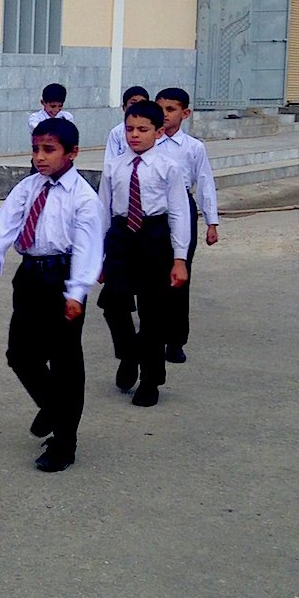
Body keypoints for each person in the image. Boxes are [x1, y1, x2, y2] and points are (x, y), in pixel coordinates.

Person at [0, 118, 105, 472]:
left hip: (63, 279)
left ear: (72, 153)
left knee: (65, 363)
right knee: (20, 354)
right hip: (29, 276)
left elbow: (88, 248)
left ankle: (63, 443)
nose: (40, 157)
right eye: (35, 149)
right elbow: (4, 225)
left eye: (49, 150)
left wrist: (77, 292)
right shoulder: (29, 188)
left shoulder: (83, 198)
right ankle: (52, 406)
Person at [97, 102, 190, 408]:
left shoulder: (168, 167)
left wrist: (179, 259)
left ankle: (151, 380)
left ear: (158, 131)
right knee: (113, 303)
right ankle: (128, 355)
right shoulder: (114, 166)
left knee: (153, 313)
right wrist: (97, 257)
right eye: (129, 129)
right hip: (122, 238)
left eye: (142, 129)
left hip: (154, 238)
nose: (134, 135)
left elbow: (178, 213)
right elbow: (103, 212)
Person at [153, 88, 220, 364]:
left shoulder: (193, 147)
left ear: (185, 113)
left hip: (183, 209)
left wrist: (211, 221)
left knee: (179, 273)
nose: (165, 115)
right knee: (153, 275)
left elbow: (204, 181)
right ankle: (153, 334)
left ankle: (176, 339)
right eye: (161, 109)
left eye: (171, 109)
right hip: (155, 211)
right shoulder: (147, 142)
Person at [104, 86, 151, 166]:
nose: (137, 107)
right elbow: (110, 161)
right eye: (133, 103)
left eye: (142, 103)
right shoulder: (116, 132)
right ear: (124, 107)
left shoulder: (153, 129)